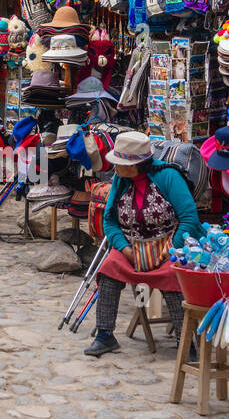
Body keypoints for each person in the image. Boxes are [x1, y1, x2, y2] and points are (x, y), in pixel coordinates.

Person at [85, 131, 200, 358]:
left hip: (169, 247)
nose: (115, 168)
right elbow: (109, 219)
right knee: (109, 270)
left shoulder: (168, 177)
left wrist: (171, 249)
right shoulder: (120, 179)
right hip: (131, 247)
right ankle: (105, 335)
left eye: (120, 163)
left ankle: (185, 341)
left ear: (136, 164)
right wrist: (124, 248)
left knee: (172, 276)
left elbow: (189, 218)